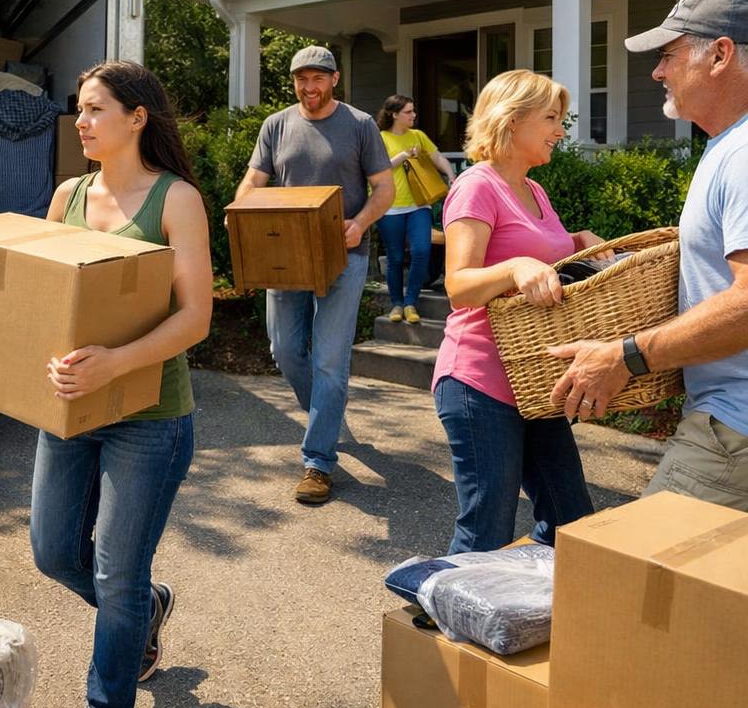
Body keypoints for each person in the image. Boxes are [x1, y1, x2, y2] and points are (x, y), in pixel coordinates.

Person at [0, 61, 213, 708]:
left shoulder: (175, 200)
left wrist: (115, 364)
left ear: (137, 117)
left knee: (116, 572)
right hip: (70, 411)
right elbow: (27, 305)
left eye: (96, 109)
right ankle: (145, 608)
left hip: (150, 421)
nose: (80, 121)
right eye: (79, 108)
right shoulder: (69, 195)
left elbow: (196, 318)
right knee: (52, 553)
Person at [548, 0, 748, 511]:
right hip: (730, 419)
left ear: (720, 55)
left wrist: (627, 357)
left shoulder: (744, 153)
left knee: (634, 563)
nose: (658, 73)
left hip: (734, 428)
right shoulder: (728, 145)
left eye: (668, 55)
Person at [432, 69, 606, 552]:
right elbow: (459, 286)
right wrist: (513, 269)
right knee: (486, 532)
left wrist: (578, 241)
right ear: (512, 119)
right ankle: (444, 601)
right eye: (551, 118)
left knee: (570, 520)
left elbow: (542, 256)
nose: (560, 131)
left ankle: (528, 595)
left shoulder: (535, 190)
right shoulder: (476, 186)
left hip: (534, 379)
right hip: (480, 381)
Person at [234, 45, 394, 505]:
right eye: (301, 79)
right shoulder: (276, 125)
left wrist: (360, 223)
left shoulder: (360, 125)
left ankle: (318, 461)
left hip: (346, 253)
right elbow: (254, 181)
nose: (309, 87)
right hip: (286, 255)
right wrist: (240, 213)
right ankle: (326, 412)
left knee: (329, 360)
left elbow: (385, 188)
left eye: (318, 78)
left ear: (334, 79)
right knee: (284, 350)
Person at [374, 94, 455, 324]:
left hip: (419, 204)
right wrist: (403, 155)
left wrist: (450, 175)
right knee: (396, 257)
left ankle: (410, 301)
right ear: (394, 114)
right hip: (390, 206)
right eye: (408, 112)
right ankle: (397, 304)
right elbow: (378, 168)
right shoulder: (380, 138)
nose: (413, 115)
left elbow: (436, 156)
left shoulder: (418, 136)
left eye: (413, 110)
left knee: (422, 250)